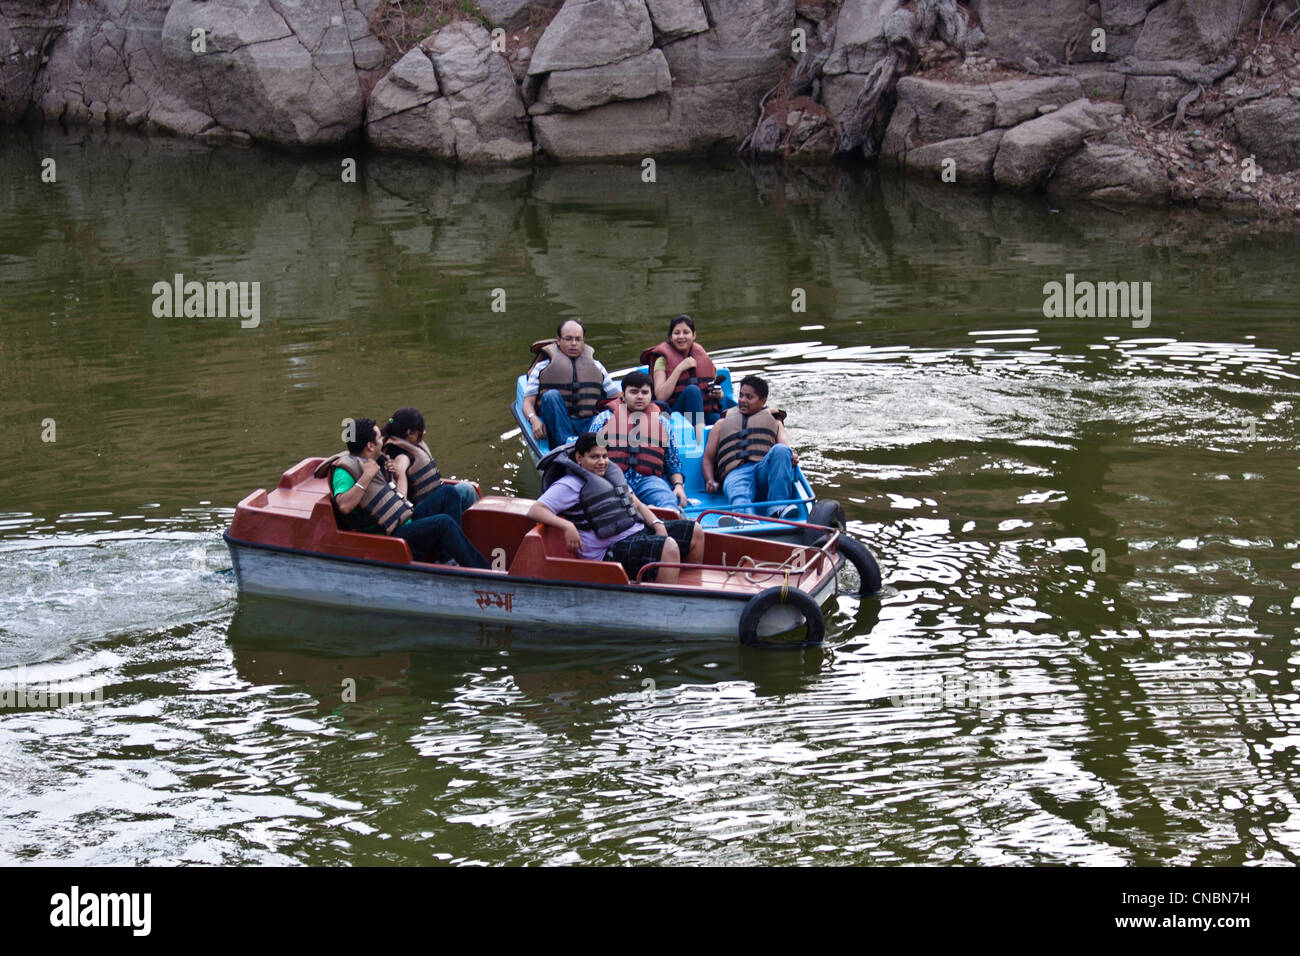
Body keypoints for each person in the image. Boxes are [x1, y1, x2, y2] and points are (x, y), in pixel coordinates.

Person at [527, 432, 704, 585]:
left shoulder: (611, 476)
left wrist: (658, 524)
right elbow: (536, 509)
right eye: (594, 457)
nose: (601, 462)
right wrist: (567, 526)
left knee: (695, 531)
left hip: (636, 533)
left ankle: (694, 588)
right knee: (669, 547)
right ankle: (670, 604)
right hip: (607, 551)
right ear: (579, 458)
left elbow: (638, 505)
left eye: (604, 456)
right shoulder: (570, 484)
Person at [317, 417, 490, 568]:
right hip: (388, 538)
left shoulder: (376, 462)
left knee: (449, 493)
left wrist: (397, 476)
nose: (382, 441)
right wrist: (366, 477)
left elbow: (396, 500)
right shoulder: (345, 472)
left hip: (403, 520)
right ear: (370, 445)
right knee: (443, 523)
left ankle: (444, 560)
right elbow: (344, 505)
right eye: (378, 438)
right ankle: (484, 573)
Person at [585, 370, 688, 514]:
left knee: (667, 500)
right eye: (634, 392)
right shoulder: (604, 419)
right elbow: (588, 455)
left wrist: (678, 485)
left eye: (645, 392)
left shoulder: (662, 422)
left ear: (651, 395)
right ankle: (644, 517)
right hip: (613, 478)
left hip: (648, 480)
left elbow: (673, 461)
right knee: (616, 505)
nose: (640, 396)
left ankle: (666, 520)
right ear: (623, 394)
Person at [702, 375, 799, 522]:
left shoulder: (774, 421)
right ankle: (745, 518)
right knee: (739, 492)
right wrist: (710, 480)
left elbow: (784, 446)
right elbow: (708, 458)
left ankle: (778, 509)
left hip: (763, 470)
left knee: (782, 450)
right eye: (741, 395)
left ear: (763, 401)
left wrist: (792, 456)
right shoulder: (721, 423)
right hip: (736, 472)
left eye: (749, 397)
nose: (742, 400)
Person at [521, 320, 621, 446]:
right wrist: (533, 419)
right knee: (551, 396)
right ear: (558, 340)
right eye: (568, 339)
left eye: (578, 339)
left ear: (583, 341)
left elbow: (616, 396)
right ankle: (568, 446)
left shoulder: (597, 366)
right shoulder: (542, 367)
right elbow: (527, 402)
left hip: (589, 423)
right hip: (559, 424)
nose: (574, 344)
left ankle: (596, 448)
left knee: (613, 412)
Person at [381, 407, 479, 520]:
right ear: (410, 433)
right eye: (421, 431)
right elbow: (400, 497)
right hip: (419, 509)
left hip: (435, 498)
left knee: (467, 489)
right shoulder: (401, 457)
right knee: (464, 489)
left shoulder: (410, 444)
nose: (425, 433)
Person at [641, 314, 733, 432]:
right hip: (675, 416)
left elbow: (714, 388)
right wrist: (679, 369)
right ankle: (699, 437)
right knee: (692, 391)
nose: (681, 337)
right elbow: (661, 396)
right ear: (670, 336)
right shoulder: (662, 359)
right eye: (677, 333)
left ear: (694, 335)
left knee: (719, 421)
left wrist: (719, 394)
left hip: (702, 413)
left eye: (686, 332)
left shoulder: (702, 356)